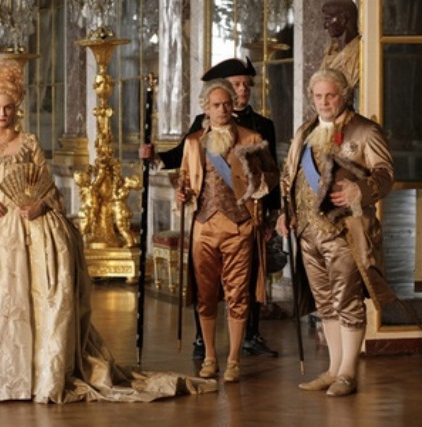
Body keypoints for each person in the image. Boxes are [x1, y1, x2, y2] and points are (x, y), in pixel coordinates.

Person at [0, 55, 214, 403]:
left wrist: (38, 206)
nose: (2, 114)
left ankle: (27, 373)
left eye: (8, 107)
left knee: (24, 299)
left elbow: (48, 190)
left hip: (24, 227)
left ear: (16, 107)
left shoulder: (29, 143)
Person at [140, 57, 281, 359]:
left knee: (248, 277)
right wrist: (155, 157)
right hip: (207, 217)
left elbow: (272, 174)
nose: (243, 90)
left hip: (246, 217)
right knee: (204, 280)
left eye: (246, 85)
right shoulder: (200, 127)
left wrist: (271, 217)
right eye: (237, 84)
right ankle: (202, 341)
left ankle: (250, 335)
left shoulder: (262, 126)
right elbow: (183, 156)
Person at [276, 68, 395, 397]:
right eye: (318, 96)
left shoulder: (365, 130)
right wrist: (285, 213)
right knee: (325, 303)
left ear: (343, 95)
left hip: (345, 232)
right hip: (308, 233)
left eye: (330, 95)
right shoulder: (305, 131)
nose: (324, 102)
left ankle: (348, 373)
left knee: (347, 301)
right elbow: (289, 177)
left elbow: (386, 175)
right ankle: (332, 369)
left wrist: (361, 189)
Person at [178, 79, 279, 382]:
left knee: (238, 294)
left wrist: (257, 186)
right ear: (206, 109)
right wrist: (182, 193)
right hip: (204, 226)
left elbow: (272, 176)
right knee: (206, 294)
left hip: (240, 226)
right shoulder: (194, 142)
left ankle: (234, 359)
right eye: (216, 105)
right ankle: (210, 356)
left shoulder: (251, 139)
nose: (222, 109)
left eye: (227, 104)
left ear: (233, 105)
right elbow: (185, 179)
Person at [321, 0, 360, 89]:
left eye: (328, 19)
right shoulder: (330, 52)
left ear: (342, 20)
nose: (325, 26)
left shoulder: (358, 53)